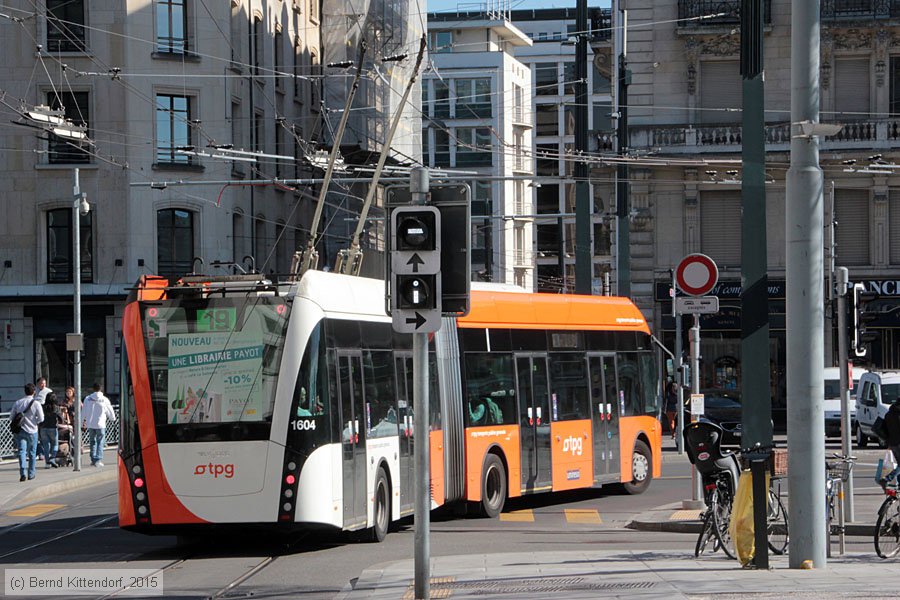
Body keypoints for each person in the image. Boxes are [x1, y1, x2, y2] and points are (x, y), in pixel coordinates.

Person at [10, 383, 44, 481]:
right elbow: (41, 418)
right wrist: (34, 422)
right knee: (32, 453)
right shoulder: (36, 403)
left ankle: (22, 473)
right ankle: (31, 473)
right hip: (32, 430)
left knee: (21, 451)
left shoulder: (18, 402)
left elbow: (11, 417)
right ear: (34, 392)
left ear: (25, 391)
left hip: (20, 430)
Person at [82, 383, 115, 468]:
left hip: (90, 423)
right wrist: (113, 418)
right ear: (101, 389)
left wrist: (82, 422)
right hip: (101, 424)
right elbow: (109, 410)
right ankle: (98, 459)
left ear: (93, 389)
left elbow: (83, 411)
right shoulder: (104, 399)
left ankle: (93, 459)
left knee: (92, 441)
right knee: (100, 442)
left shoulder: (87, 399)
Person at [879, 398, 900, 488]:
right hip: (898, 442)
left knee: (899, 464)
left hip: (892, 443)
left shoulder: (889, 414)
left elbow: (884, 429)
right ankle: (887, 478)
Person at [38, 392, 61, 468]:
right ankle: (52, 458)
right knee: (55, 444)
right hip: (53, 428)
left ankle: (47, 463)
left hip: (43, 428)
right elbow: (61, 418)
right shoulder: (56, 407)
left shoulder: (42, 407)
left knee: (46, 446)